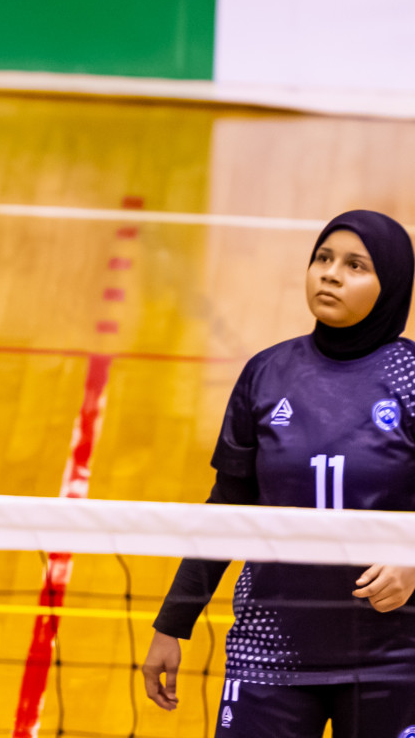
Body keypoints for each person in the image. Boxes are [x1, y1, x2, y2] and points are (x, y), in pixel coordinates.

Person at [141, 210, 415, 737]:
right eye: (323, 258)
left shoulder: (410, 379)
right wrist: (173, 624)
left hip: (395, 656)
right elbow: (228, 506)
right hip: (269, 652)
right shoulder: (266, 374)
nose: (330, 274)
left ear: (392, 285)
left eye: (355, 265)